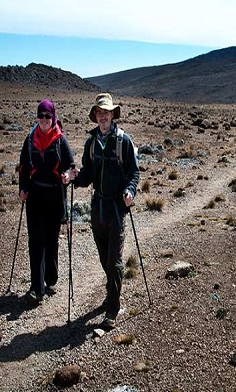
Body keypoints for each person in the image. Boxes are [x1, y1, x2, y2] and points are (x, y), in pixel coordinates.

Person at [67, 93, 139, 329]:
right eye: (100, 112)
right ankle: (112, 292)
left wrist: (130, 191)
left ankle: (112, 309)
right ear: (95, 116)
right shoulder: (91, 143)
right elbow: (87, 174)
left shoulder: (123, 142)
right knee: (103, 257)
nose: (103, 116)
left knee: (115, 261)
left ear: (112, 114)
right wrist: (75, 178)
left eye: (107, 112)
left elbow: (133, 173)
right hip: (97, 208)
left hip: (117, 209)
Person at [19, 99, 74, 305]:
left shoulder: (60, 140)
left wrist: (68, 175)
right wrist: (22, 188)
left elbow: (71, 165)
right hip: (34, 197)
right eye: (40, 115)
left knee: (51, 240)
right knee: (36, 242)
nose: (44, 119)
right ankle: (37, 288)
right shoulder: (30, 139)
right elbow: (24, 166)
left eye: (47, 116)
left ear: (53, 117)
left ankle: (50, 279)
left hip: (54, 198)